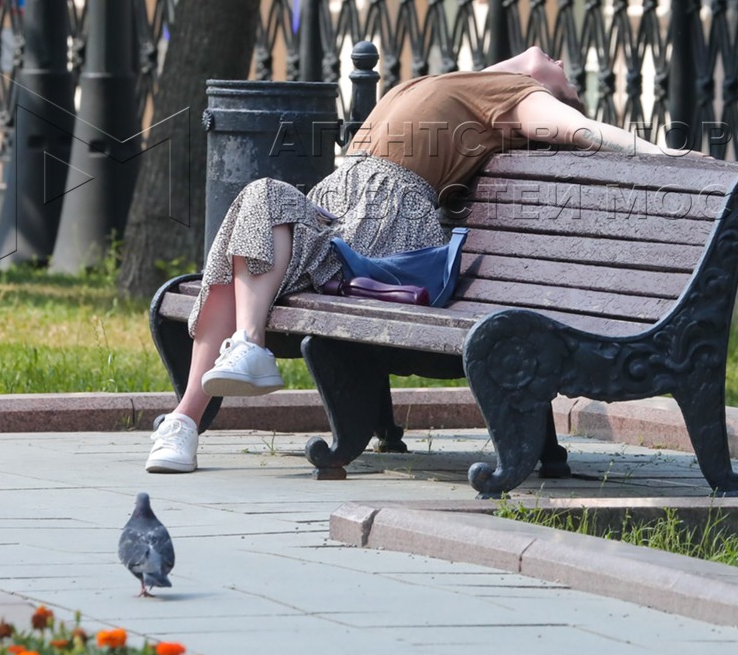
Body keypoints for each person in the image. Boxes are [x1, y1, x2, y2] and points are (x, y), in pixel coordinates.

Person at [145, 45, 682, 473]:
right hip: (337, 209)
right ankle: (216, 386)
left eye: (568, 88)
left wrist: (662, 154)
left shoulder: (514, 95)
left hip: (387, 220)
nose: (564, 69)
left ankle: (198, 403)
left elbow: (583, 131)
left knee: (250, 227)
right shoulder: (454, 83)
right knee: (256, 203)